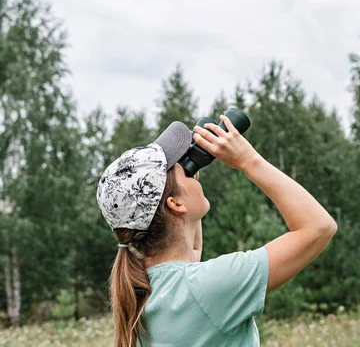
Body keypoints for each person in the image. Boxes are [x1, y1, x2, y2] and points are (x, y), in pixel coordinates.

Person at [96, 114, 338, 347]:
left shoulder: (143, 289)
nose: (192, 174)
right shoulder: (208, 287)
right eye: (185, 172)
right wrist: (248, 160)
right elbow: (318, 227)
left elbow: (190, 249)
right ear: (176, 204)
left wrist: (185, 181)